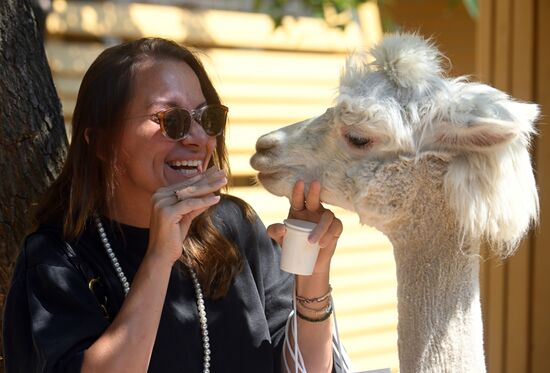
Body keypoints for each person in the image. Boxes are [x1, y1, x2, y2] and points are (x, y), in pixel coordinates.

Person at [2, 37, 344, 373]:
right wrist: (158, 259)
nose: (198, 139)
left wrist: (312, 273)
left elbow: (306, 368)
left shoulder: (235, 226)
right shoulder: (56, 260)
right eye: (171, 121)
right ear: (102, 143)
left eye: (207, 118)